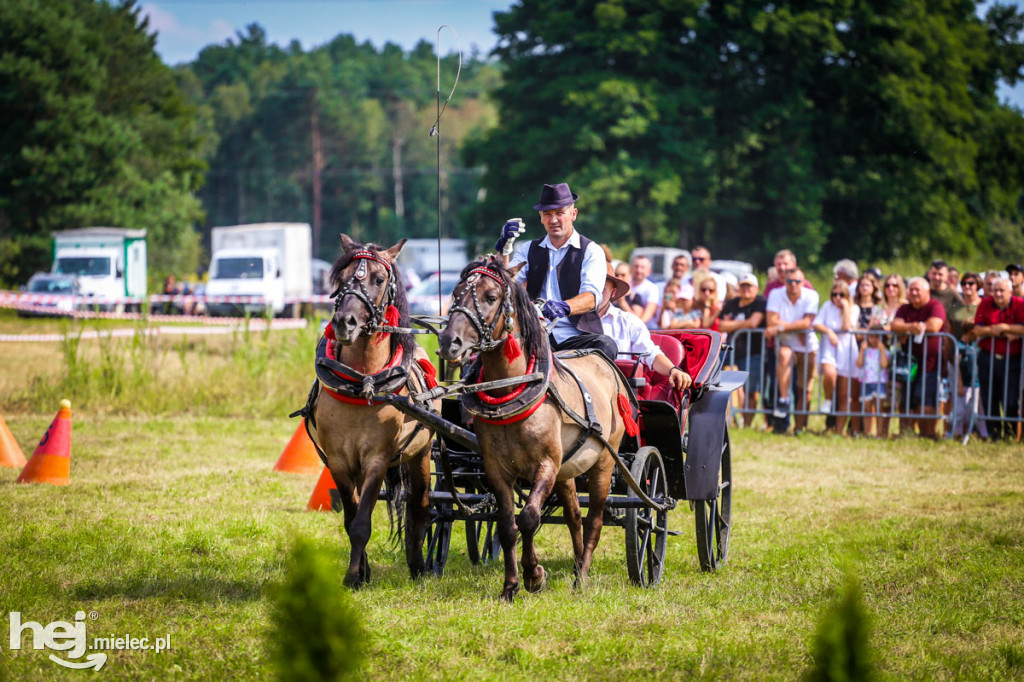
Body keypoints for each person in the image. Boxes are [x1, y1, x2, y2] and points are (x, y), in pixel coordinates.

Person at [501, 182, 618, 360]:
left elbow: (592, 297)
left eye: (559, 213)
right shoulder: (528, 249)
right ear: (541, 218)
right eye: (547, 214)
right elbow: (506, 285)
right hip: (534, 335)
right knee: (490, 352)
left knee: (606, 344)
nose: (553, 220)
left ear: (573, 214)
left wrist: (564, 307)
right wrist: (504, 248)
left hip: (576, 336)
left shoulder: (591, 250)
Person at [598, 263, 692, 393]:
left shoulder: (628, 321)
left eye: (602, 288)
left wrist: (673, 370)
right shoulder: (567, 320)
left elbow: (651, 354)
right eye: (590, 286)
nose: (595, 292)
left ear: (613, 292)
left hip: (617, 393)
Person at [891, 277, 947, 439]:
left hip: (931, 364)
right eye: (911, 290)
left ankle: (927, 434)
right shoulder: (904, 308)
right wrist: (912, 327)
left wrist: (908, 328)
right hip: (908, 365)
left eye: (918, 290)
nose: (914, 293)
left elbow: (934, 326)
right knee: (906, 401)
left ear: (927, 292)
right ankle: (906, 433)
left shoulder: (935, 306)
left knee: (926, 400)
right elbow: (895, 325)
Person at [969, 276, 1024, 441]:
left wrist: (1007, 328)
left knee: (1010, 399)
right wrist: (997, 330)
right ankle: (994, 434)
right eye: (995, 291)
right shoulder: (985, 304)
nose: (998, 294)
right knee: (989, 397)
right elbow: (976, 330)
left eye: (1002, 291)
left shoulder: (1020, 305)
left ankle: (1010, 433)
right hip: (988, 357)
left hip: (1012, 359)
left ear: (1010, 291)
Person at [765, 269, 819, 434]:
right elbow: (771, 320)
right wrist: (796, 327)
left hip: (808, 346)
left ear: (803, 282)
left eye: (797, 281)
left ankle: (800, 428)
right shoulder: (775, 293)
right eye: (789, 281)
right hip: (787, 344)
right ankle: (784, 399)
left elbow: (806, 323)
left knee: (804, 389)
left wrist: (781, 327)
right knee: (784, 355)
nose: (793, 285)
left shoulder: (812, 295)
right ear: (785, 282)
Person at [719, 273, 767, 427]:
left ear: (756, 288)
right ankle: (723, 421)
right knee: (715, 381)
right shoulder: (732, 302)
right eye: (743, 286)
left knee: (750, 390)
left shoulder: (760, 301)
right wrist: (743, 323)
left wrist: (733, 323)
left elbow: (754, 323)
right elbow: (721, 325)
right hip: (731, 350)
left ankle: (747, 424)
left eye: (749, 286)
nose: (746, 289)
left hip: (753, 352)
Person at [813, 283, 857, 435]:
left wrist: (845, 309)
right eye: (834, 294)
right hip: (830, 350)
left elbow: (846, 327)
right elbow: (816, 324)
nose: (837, 298)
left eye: (841, 295)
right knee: (829, 374)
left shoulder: (854, 309)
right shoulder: (827, 306)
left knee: (844, 395)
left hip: (846, 351)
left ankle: (838, 431)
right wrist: (829, 332)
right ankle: (828, 399)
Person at [953, 272, 989, 440]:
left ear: (978, 286)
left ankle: (983, 432)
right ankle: (958, 431)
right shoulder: (956, 307)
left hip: (981, 354)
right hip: (959, 355)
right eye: (964, 283)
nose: (967, 286)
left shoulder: (984, 306)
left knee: (979, 401)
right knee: (960, 398)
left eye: (971, 283)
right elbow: (949, 330)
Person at [857, 325, 890, 438]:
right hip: (866, 382)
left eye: (877, 337)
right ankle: (867, 433)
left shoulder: (885, 351)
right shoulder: (866, 350)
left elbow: (884, 364)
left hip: (879, 383)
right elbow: (859, 363)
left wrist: (882, 350)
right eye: (871, 337)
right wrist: (862, 350)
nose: (874, 340)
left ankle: (879, 433)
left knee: (878, 409)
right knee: (867, 409)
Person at [623, 254, 661, 328]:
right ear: (631, 268)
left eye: (642, 267)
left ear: (649, 271)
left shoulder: (652, 288)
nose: (639, 270)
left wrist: (637, 327)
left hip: (648, 329)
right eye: (636, 266)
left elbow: (649, 312)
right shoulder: (626, 284)